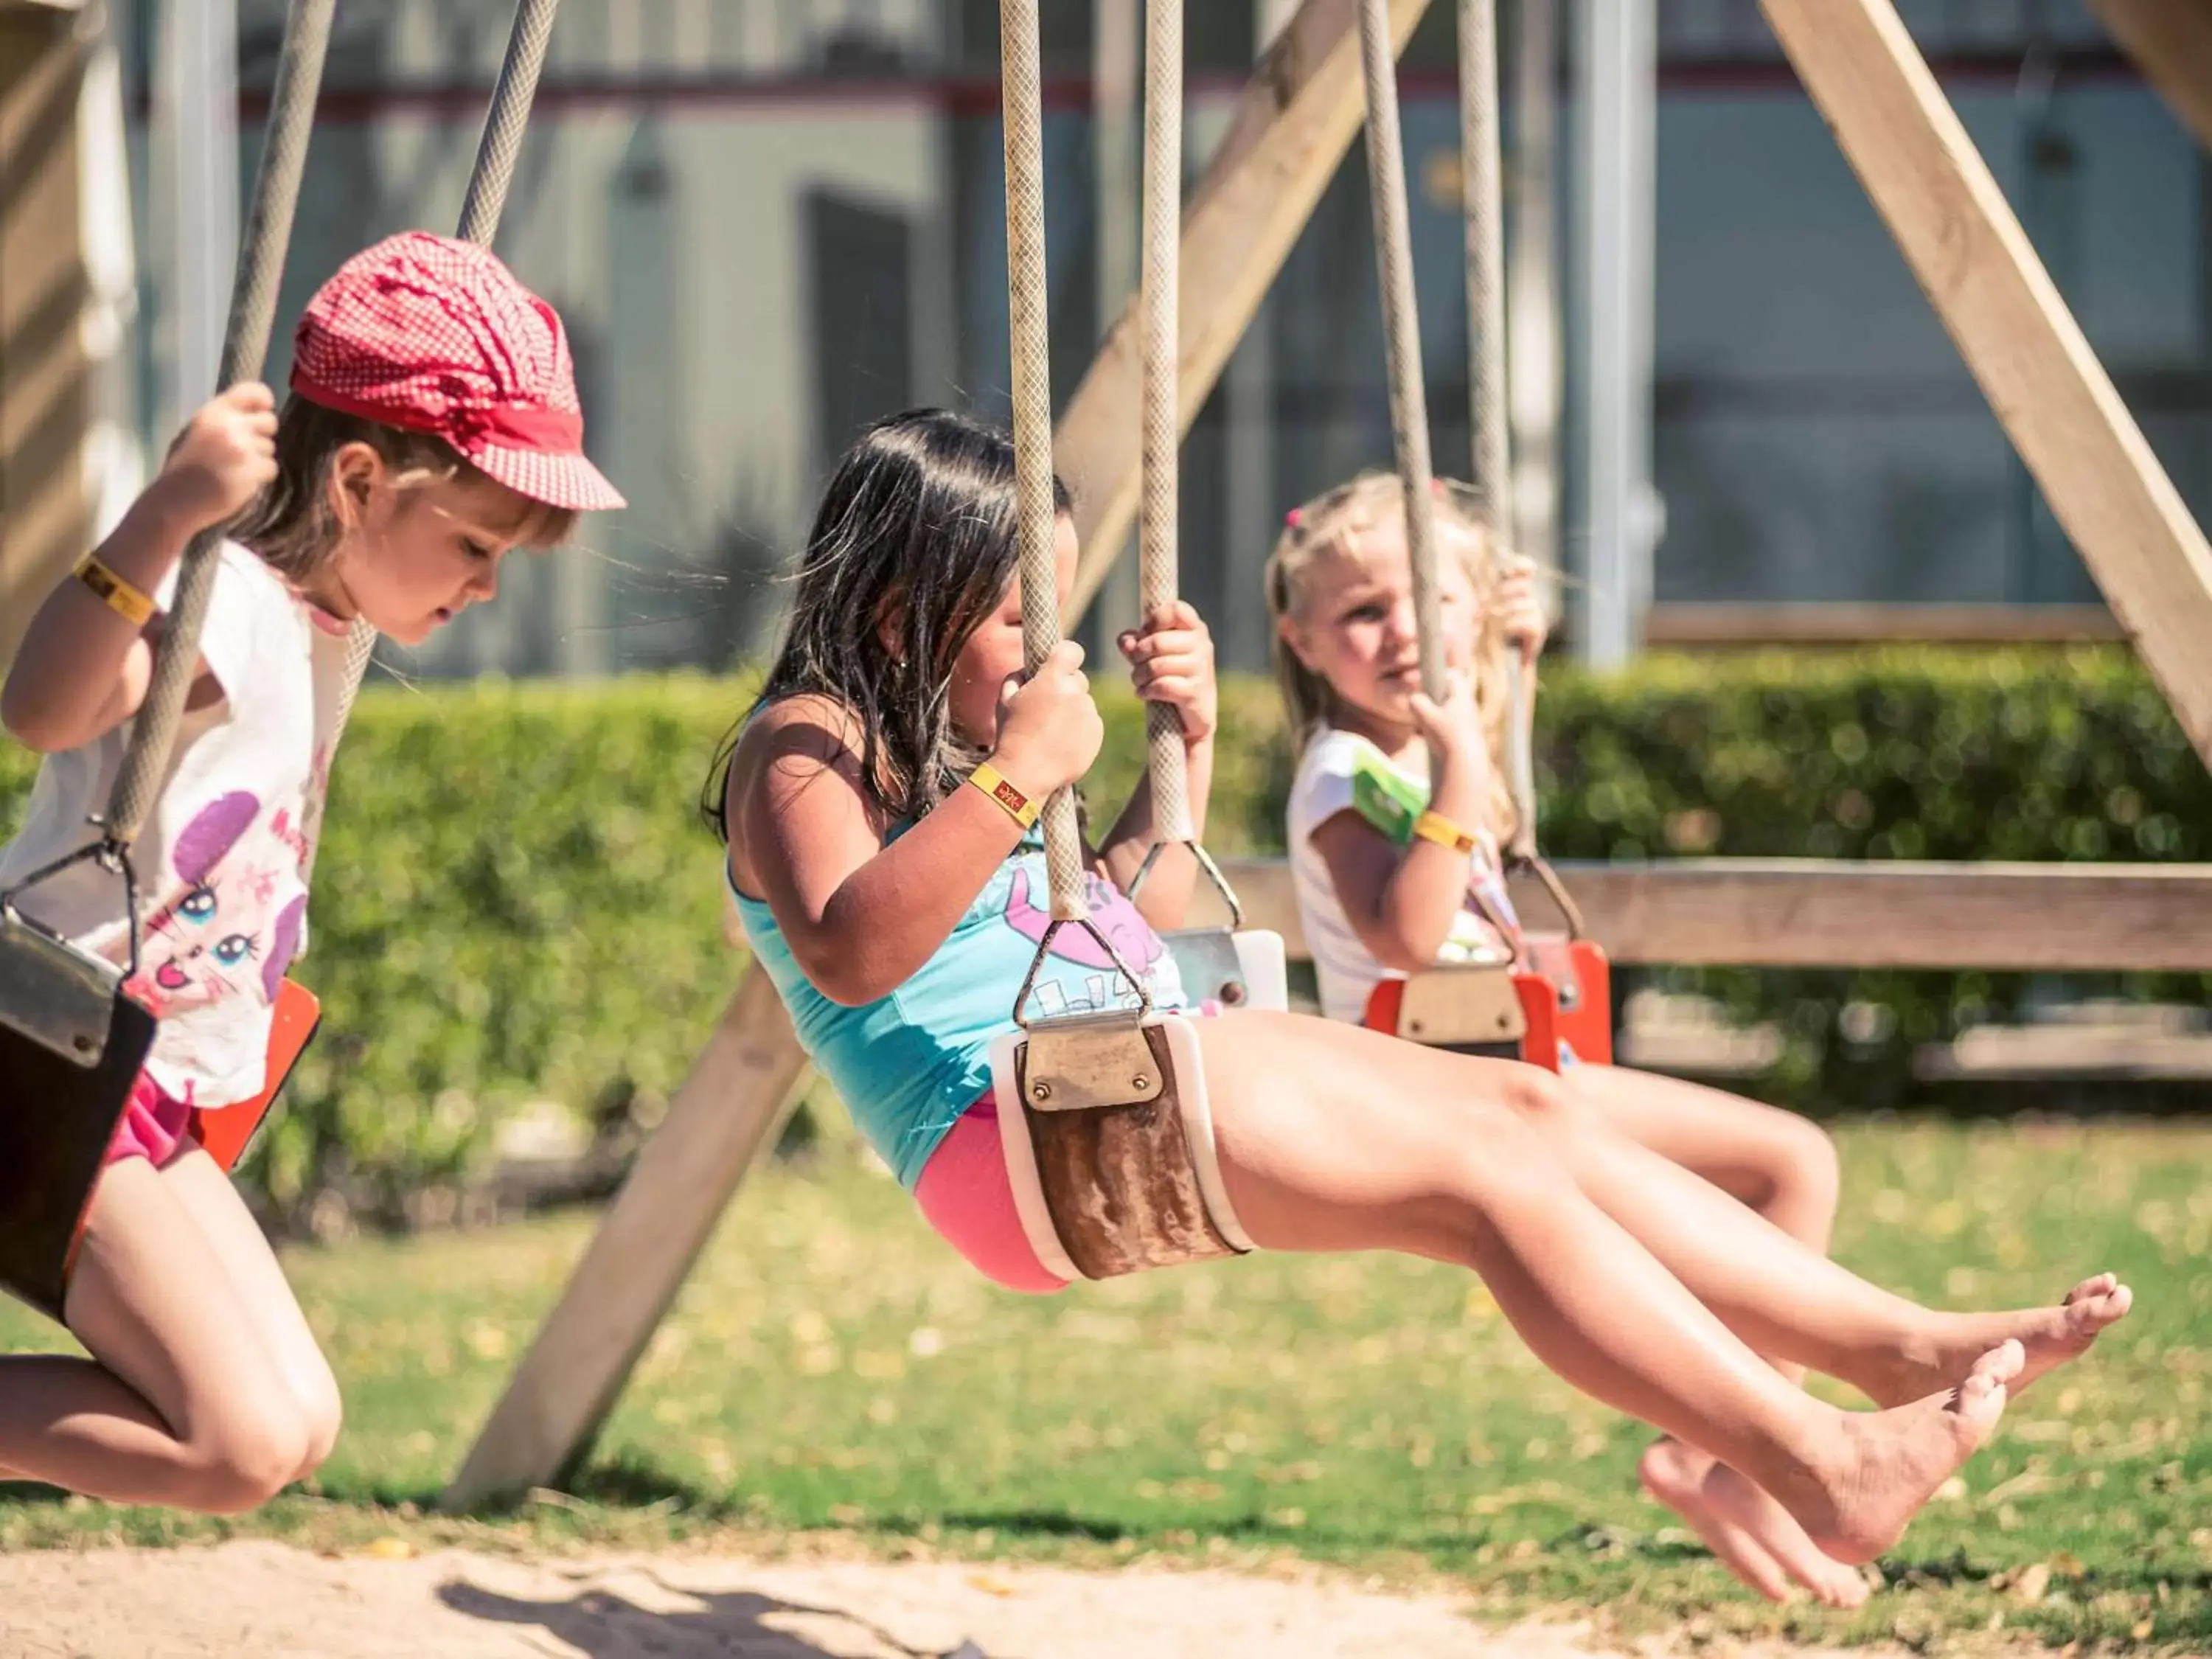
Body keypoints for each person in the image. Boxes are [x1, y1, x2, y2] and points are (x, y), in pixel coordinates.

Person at [709, 408, 2130, 1569]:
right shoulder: (805, 744)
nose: (1052, 649)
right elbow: (850, 947)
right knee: (1487, 1185)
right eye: (1022, 616)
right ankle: (1820, 1457)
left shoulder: (961, 764)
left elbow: (1107, 929)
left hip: (1096, 1085)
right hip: (1000, 1141)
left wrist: (1177, 754)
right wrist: (1026, 769)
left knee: (1528, 1113)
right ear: (902, 610)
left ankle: (1885, 1348)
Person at [0, 232, 623, 1512]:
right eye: (473, 546)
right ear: (356, 480)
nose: (488, 587)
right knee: (231, 1442)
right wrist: (170, 510)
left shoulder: (321, 622)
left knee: (297, 1422)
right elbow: (45, 707)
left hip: (151, 1086)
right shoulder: (229, 600)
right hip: (57, 1059)